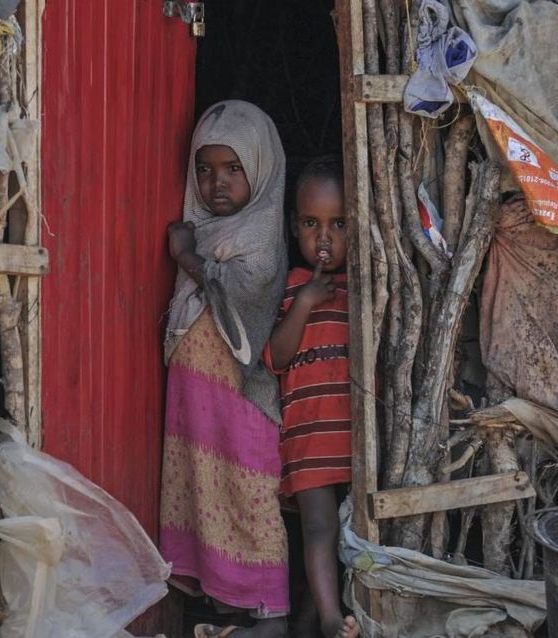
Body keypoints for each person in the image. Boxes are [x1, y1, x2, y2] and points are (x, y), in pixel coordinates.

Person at [159, 100, 290, 638]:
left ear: (259, 169)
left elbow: (241, 290)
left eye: (233, 169)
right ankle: (227, 602)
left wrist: (187, 257)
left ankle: (272, 610)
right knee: (203, 488)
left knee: (250, 493)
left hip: (241, 396)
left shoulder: (260, 235)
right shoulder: (207, 227)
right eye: (205, 169)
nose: (217, 183)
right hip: (197, 396)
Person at [264, 156, 359, 638]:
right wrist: (303, 303)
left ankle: (313, 619)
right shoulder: (293, 286)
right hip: (308, 434)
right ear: (293, 226)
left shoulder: (365, 287)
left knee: (349, 531)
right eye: (311, 223)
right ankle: (328, 619)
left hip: (355, 436)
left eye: (338, 223)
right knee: (319, 527)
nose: (324, 238)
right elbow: (276, 358)